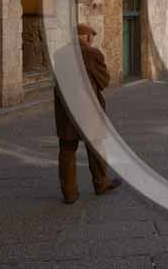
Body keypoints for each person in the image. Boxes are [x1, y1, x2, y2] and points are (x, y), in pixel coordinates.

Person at [53, 23, 121, 204]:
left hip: (66, 109)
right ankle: (101, 182)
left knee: (67, 150)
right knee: (96, 146)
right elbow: (104, 81)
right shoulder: (92, 54)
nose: (93, 40)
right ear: (87, 37)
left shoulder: (59, 54)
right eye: (92, 36)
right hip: (87, 109)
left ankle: (69, 192)